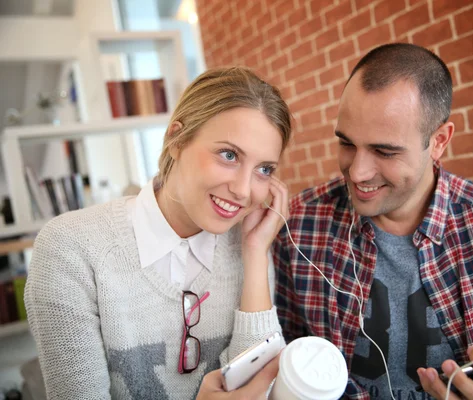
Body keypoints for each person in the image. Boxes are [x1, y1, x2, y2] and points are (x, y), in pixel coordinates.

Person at [273, 43, 473, 400]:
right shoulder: (299, 224)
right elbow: (280, 357)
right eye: (346, 143)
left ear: (438, 141)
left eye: (384, 151)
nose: (357, 172)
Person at [25, 67, 291, 399]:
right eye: (229, 155)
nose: (243, 190)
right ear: (176, 139)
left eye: (264, 170)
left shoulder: (251, 244)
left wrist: (254, 255)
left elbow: (259, 387)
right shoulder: (70, 248)